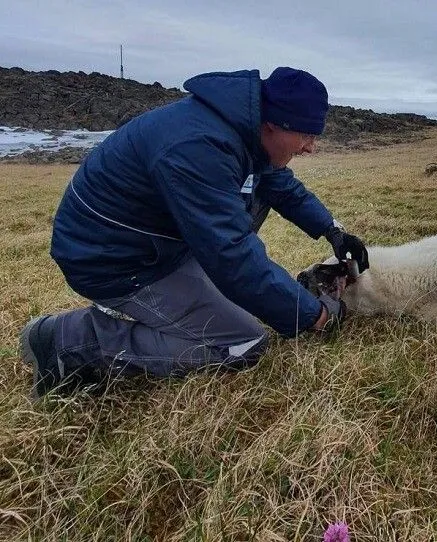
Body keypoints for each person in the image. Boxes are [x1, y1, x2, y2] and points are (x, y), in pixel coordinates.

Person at [19, 66, 369, 398]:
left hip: (155, 244)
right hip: (112, 259)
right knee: (242, 342)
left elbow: (279, 186)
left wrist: (333, 230)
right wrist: (314, 316)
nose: (311, 147)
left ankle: (192, 300)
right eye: (307, 134)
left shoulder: (243, 132)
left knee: (243, 299)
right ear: (274, 124)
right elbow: (231, 255)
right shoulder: (200, 147)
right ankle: (68, 342)